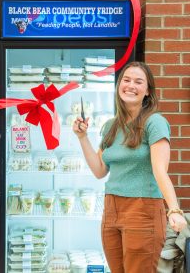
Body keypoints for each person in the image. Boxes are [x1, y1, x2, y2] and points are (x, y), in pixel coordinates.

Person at [73, 61, 187, 273]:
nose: (130, 85)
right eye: (126, 80)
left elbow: (160, 170)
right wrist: (82, 137)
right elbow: (99, 171)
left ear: (147, 91)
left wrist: (174, 209)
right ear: (119, 86)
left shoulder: (155, 122)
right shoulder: (111, 126)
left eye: (138, 81)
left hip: (142, 209)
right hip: (111, 209)